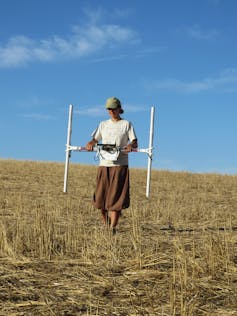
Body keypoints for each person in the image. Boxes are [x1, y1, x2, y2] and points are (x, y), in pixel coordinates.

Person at [86, 97, 138, 234]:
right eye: (108, 109)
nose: (111, 111)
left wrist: (129, 146)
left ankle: (112, 229)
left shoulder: (126, 124)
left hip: (120, 165)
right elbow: (95, 138)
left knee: (115, 199)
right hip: (104, 164)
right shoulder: (103, 124)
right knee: (101, 200)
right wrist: (91, 143)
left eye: (113, 108)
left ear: (119, 109)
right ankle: (107, 224)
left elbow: (135, 142)